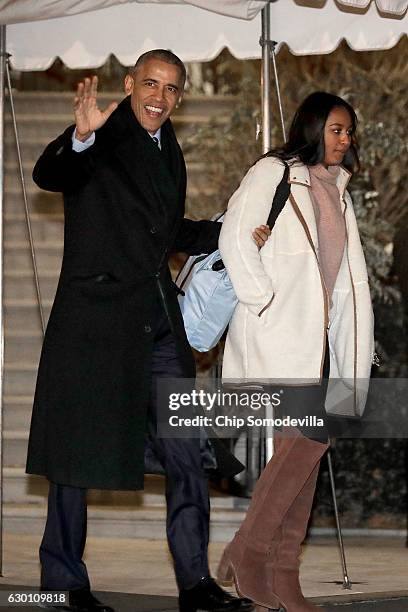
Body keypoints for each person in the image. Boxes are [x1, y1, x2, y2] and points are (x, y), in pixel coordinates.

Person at [26, 49, 268, 612]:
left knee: (186, 451)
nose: (160, 97)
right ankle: (62, 586)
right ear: (130, 84)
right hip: (96, 322)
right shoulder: (102, 135)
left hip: (158, 324)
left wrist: (229, 237)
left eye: (172, 89)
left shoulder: (168, 148)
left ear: (180, 97)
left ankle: (195, 585)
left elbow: (166, 227)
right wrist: (80, 138)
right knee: (76, 456)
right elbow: (52, 172)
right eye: (151, 84)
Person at [216, 92, 375, 612]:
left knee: (301, 450)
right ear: (312, 127)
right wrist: (263, 300)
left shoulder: (338, 189)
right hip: (278, 333)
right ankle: (251, 552)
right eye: (335, 129)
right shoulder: (275, 171)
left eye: (348, 131)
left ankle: (281, 572)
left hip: (322, 343)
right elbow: (235, 235)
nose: (344, 139)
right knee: (306, 444)